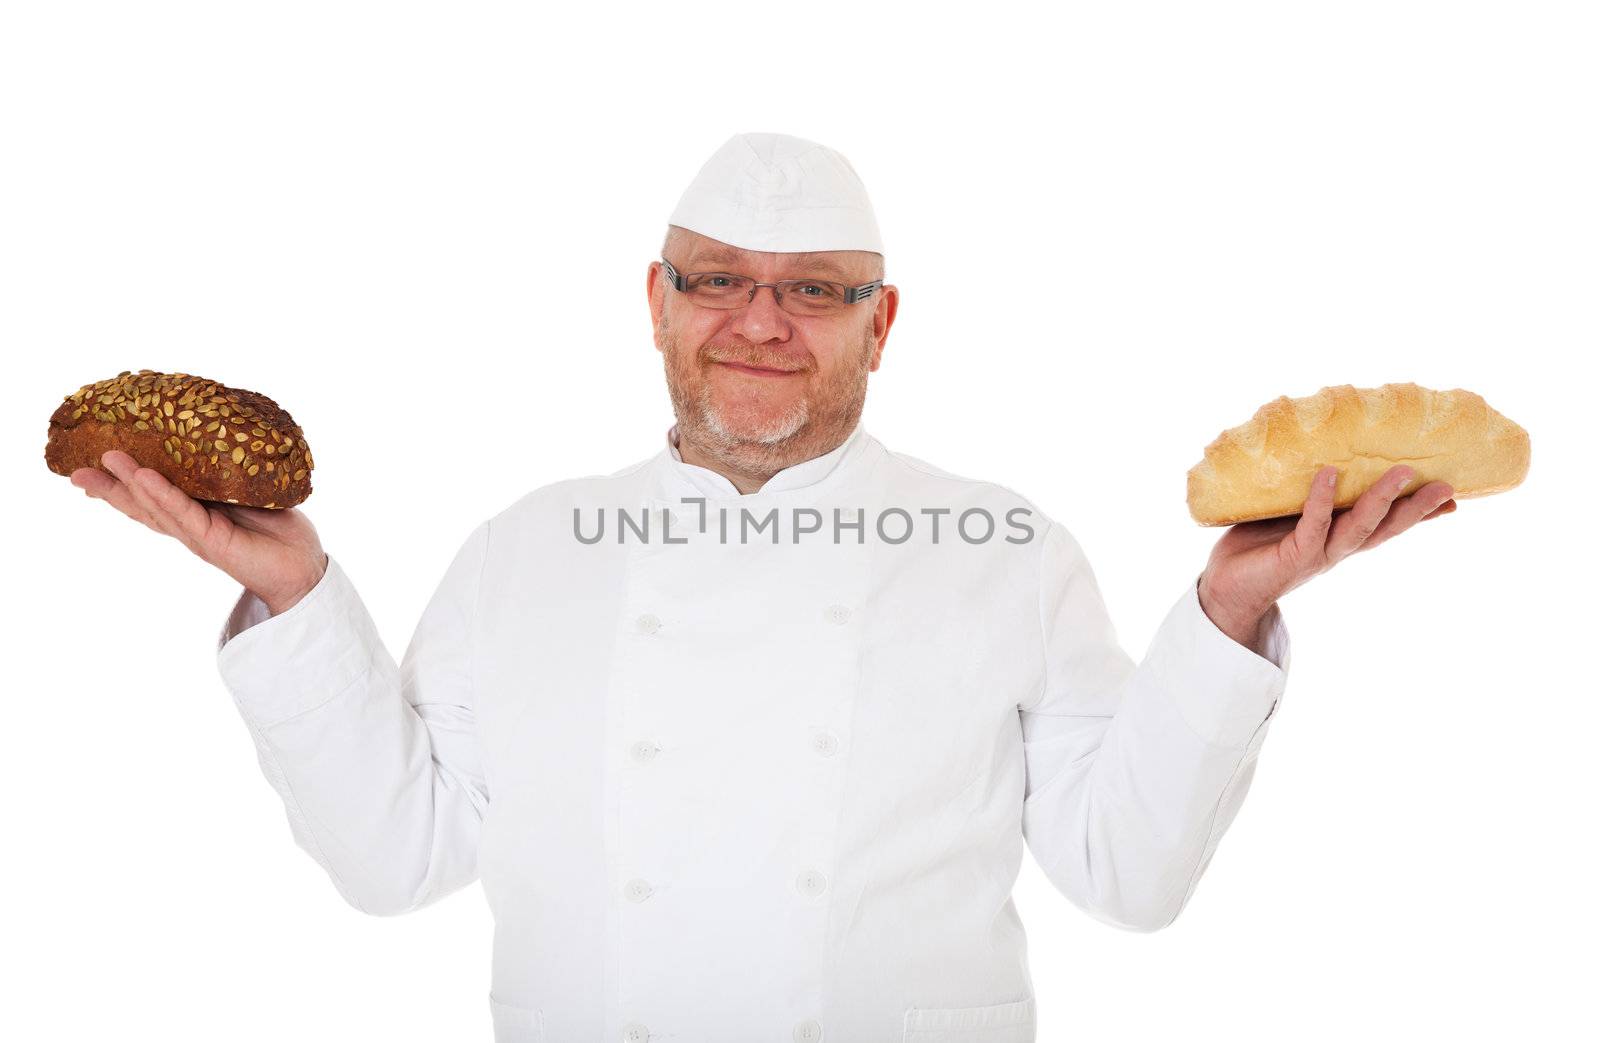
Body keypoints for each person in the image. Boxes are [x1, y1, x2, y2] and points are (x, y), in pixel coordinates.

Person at [71, 131, 1457, 1043]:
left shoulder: (1008, 548)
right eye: (718, 280)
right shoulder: (524, 549)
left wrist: (1222, 621)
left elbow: (1127, 876)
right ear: (657, 303)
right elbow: (395, 861)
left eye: (814, 291)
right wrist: (299, 599)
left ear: (883, 322)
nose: (758, 322)